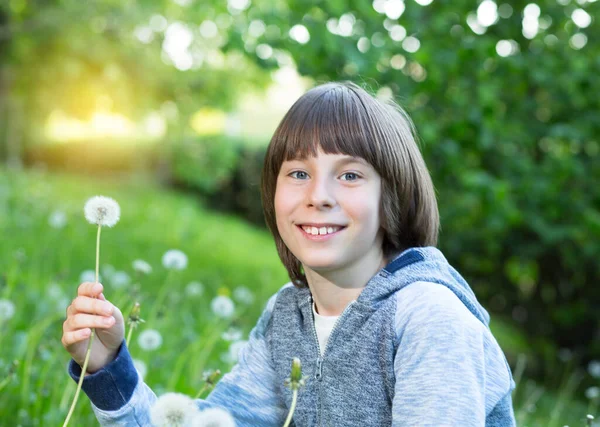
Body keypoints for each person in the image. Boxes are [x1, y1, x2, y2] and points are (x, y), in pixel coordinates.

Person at [62, 81, 517, 426]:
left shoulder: (429, 320)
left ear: (392, 196)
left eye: (351, 175)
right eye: (298, 172)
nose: (318, 195)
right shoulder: (287, 317)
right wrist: (106, 367)